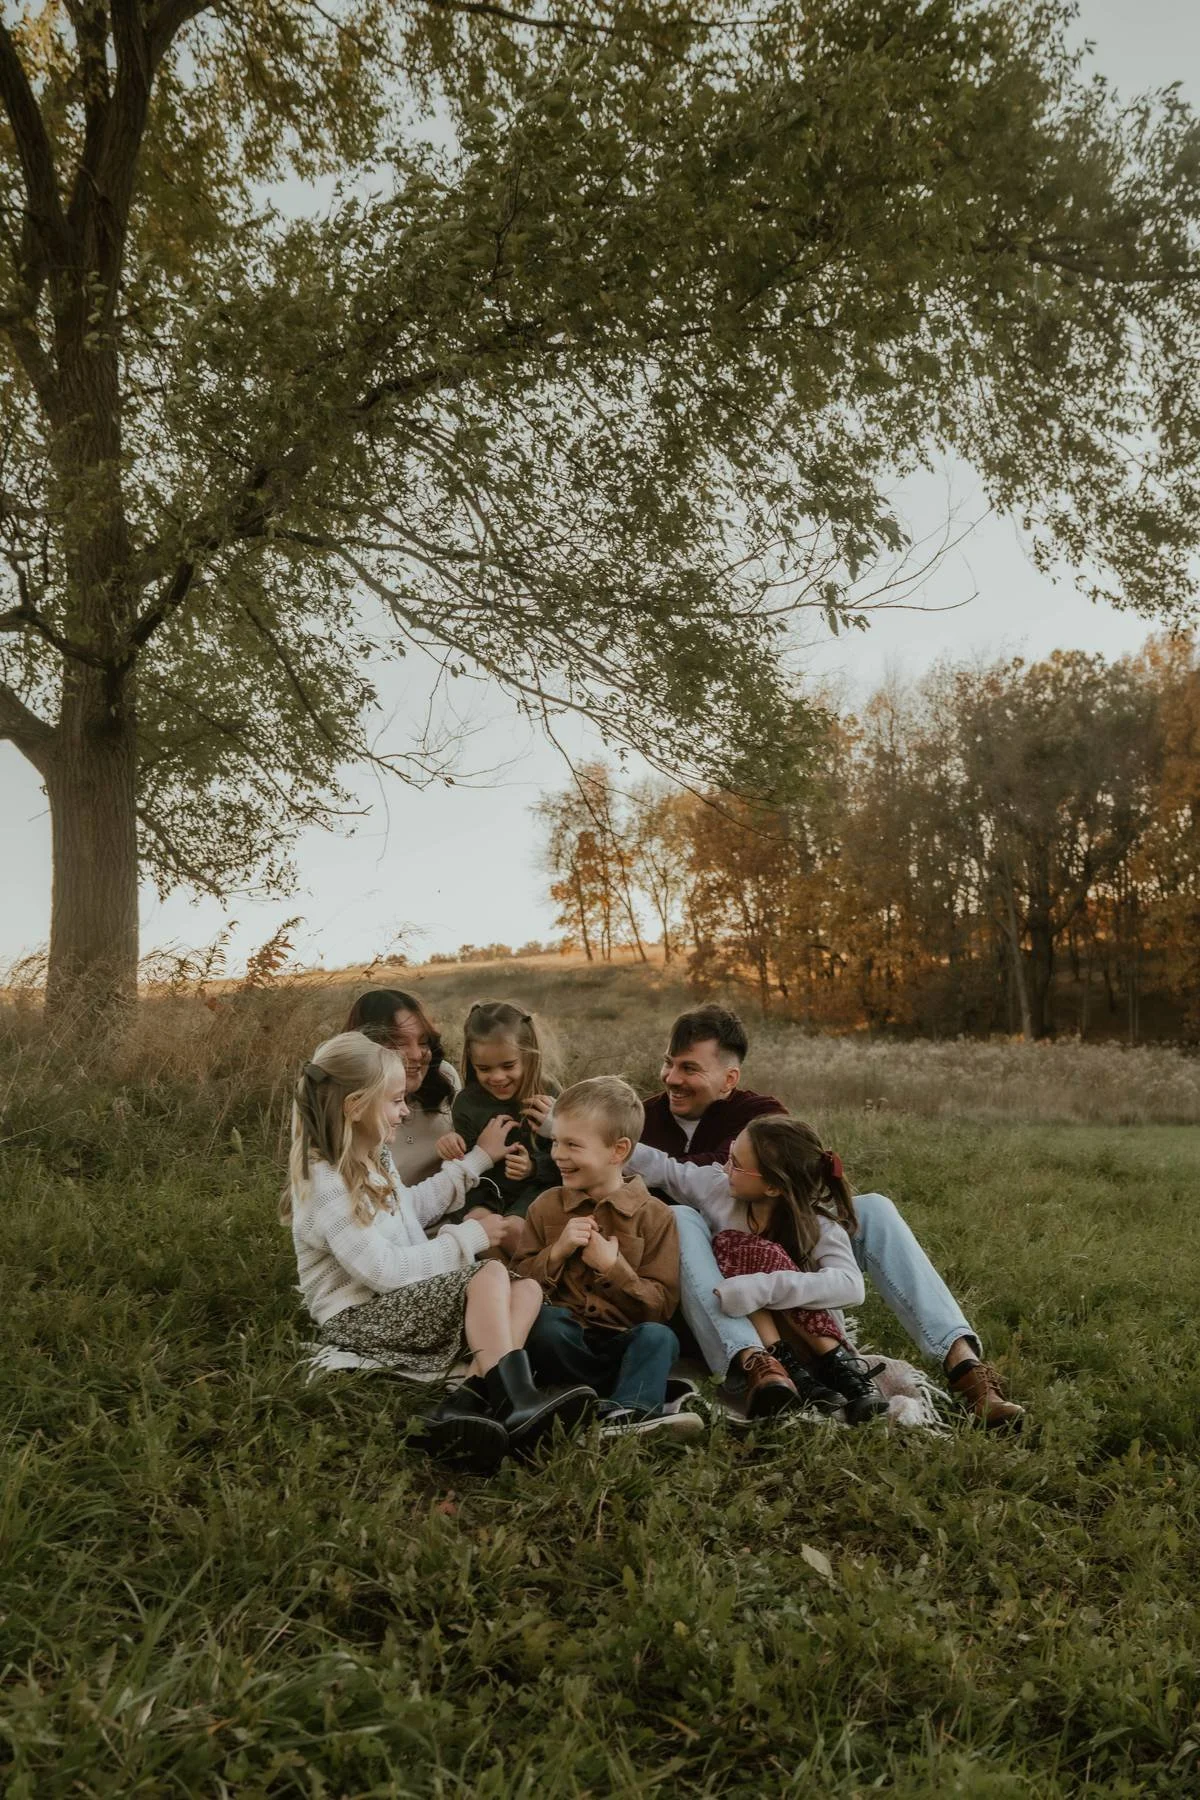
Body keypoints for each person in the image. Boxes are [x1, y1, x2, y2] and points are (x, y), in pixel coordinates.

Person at [644, 1004, 1024, 1428]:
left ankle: (966, 1370)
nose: (672, 1079)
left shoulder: (761, 1117)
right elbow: (636, 1160)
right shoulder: (641, 1119)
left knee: (875, 1208)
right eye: (668, 1063)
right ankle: (755, 1364)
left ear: (729, 1079)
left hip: (777, 1259)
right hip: (703, 1284)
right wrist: (569, 1126)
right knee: (682, 1216)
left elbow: (748, 1179)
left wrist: (769, 1281)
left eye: (689, 1068)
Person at [283, 1031, 595, 1472]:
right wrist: (468, 1238)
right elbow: (385, 1272)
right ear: (355, 1107)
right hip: (358, 1317)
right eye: (394, 1101)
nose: (405, 1111)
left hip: (401, 1302)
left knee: (523, 1289)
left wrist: (475, 1163)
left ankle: (463, 1401)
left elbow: (414, 1210)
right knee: (485, 1273)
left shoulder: (374, 1158)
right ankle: (516, 1398)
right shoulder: (327, 1185)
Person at [629, 1120, 888, 1424]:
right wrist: (591, 1137)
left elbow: (851, 1286)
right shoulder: (718, 1188)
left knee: (752, 1251)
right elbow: (665, 1168)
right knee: (728, 1243)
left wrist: (761, 1287)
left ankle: (842, 1369)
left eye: (736, 1165)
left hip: (810, 1337)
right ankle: (786, 1373)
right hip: (755, 1334)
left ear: (773, 1187)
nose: (725, 1168)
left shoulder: (817, 1223)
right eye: (730, 1156)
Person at [515, 1077, 700, 1441]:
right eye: (555, 1142)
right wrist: (557, 1252)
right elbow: (519, 1283)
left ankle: (627, 1414)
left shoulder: (657, 1216)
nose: (557, 1155)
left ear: (618, 1151)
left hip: (623, 1343)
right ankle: (586, 1401)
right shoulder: (546, 1207)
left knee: (659, 1338)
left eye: (572, 1145)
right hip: (565, 1346)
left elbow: (660, 1305)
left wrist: (613, 1268)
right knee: (545, 1325)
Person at [437, 1002, 561, 1252]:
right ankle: (503, 1283)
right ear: (472, 1063)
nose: (497, 1077)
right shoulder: (467, 1102)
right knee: (475, 1227)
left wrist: (533, 1167)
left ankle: (535, 1283)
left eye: (508, 1066)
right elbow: (466, 1163)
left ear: (528, 1056)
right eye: (484, 1069)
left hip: (535, 1187)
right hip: (485, 1191)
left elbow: (569, 1155)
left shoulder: (547, 1095)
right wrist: (451, 1146)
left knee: (514, 1229)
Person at [343, 989, 460, 1186]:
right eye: (398, 1043)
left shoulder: (445, 1078)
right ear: (367, 1047)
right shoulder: (348, 1106)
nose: (416, 1054)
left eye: (423, 1042)